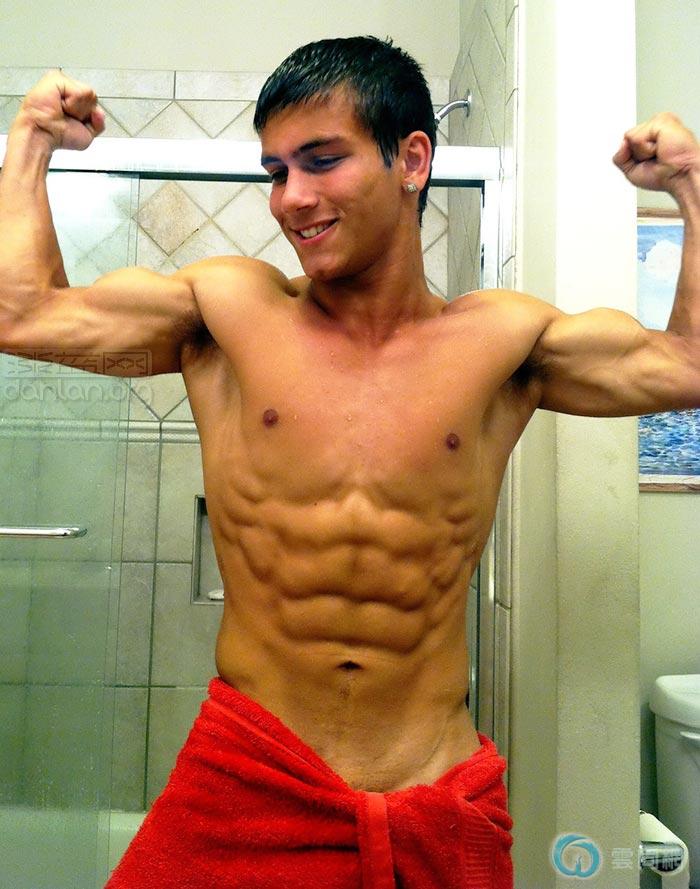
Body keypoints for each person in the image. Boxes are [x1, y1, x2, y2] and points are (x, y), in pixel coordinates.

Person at [1, 35, 698, 889]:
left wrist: (690, 183)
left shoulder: (504, 341)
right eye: (276, 171)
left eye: (322, 160)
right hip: (251, 779)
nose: (291, 198)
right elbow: (23, 314)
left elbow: (687, 366)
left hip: (433, 794)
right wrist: (32, 138)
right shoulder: (224, 312)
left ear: (413, 160)